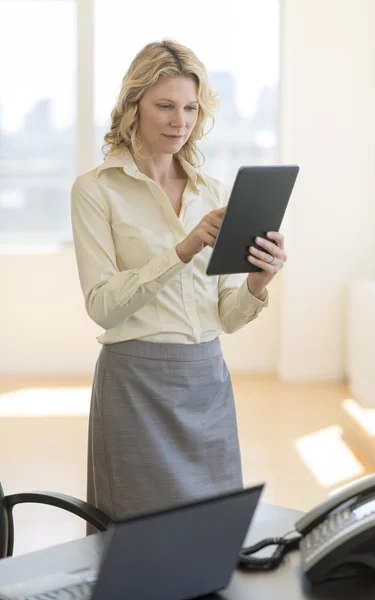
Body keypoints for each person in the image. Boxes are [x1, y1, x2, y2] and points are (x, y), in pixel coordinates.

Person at [71, 39, 287, 525]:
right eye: (164, 106)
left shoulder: (212, 191)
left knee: (212, 533)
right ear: (133, 107)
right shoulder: (96, 190)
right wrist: (182, 250)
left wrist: (255, 284)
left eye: (190, 108)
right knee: (134, 542)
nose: (179, 121)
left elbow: (225, 318)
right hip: (135, 388)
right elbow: (103, 306)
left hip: (207, 382)